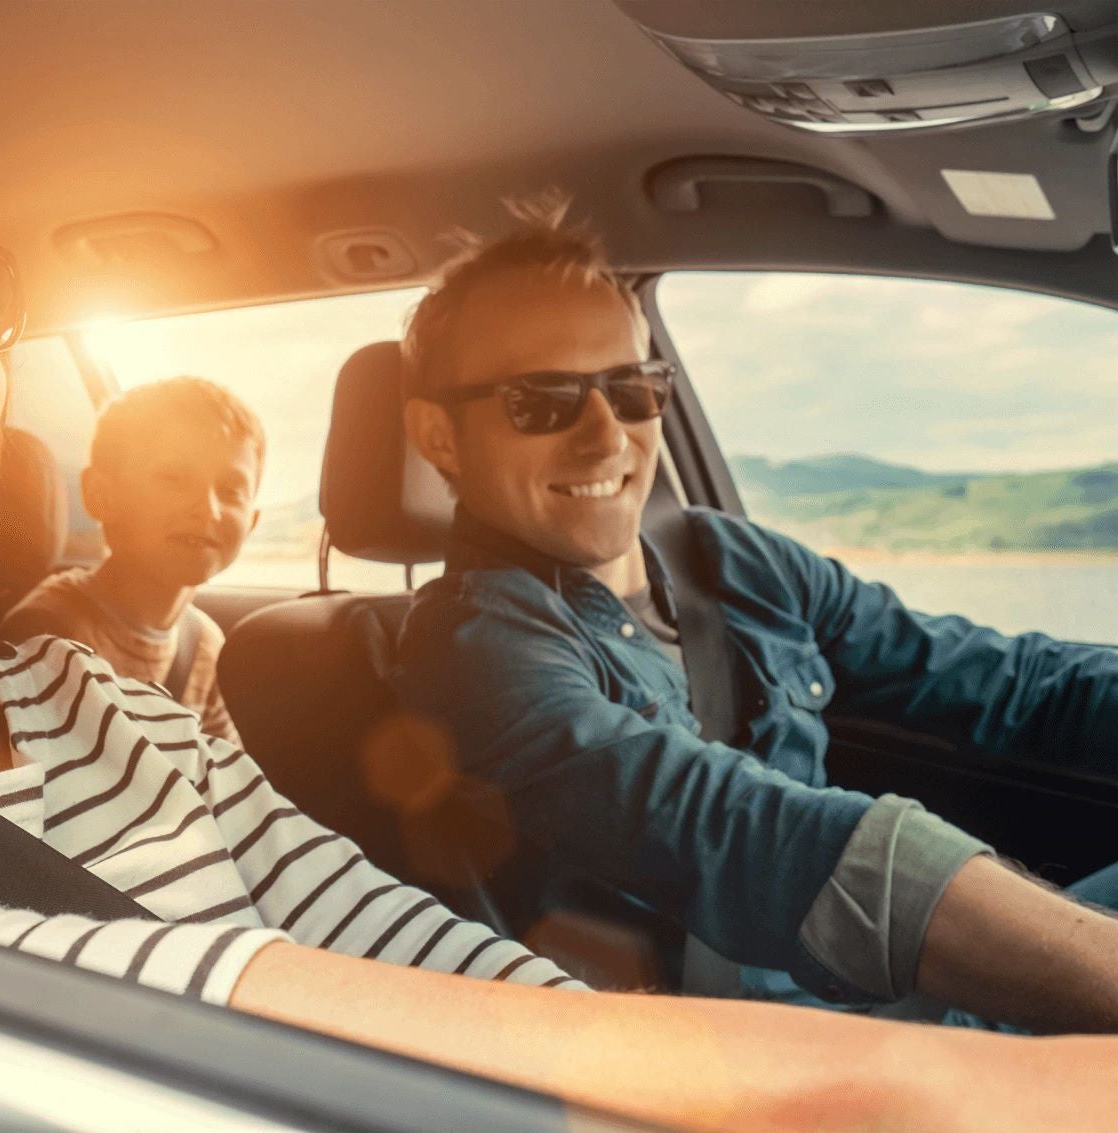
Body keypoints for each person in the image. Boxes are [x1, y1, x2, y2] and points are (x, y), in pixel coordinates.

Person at [0, 82, 1118, 1130]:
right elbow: (44, 988)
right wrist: (906, 1089)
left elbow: (413, 956)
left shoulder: (104, 706)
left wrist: (661, 1089)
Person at [390, 191, 1118, 1033]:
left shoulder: (730, 561)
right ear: (440, 439)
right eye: (541, 401)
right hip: (777, 1065)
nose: (605, 436)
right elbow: (736, 832)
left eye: (632, 389)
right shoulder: (473, 646)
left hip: (893, 1002)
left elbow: (1009, 682)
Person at [0, 377, 261, 744]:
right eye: (174, 478)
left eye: (231, 490)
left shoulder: (204, 644)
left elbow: (224, 780)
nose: (209, 510)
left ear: (253, 522)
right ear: (101, 496)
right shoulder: (46, 634)